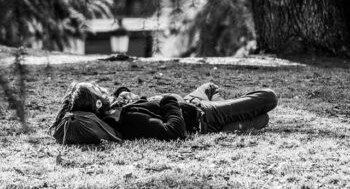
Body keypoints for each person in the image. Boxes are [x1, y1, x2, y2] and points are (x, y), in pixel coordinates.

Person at [51, 82, 278, 141]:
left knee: (209, 86)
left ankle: (236, 116)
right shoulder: (128, 120)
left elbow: (131, 101)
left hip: (190, 102)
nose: (102, 88)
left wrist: (124, 93)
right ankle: (230, 117)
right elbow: (174, 131)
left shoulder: (115, 110)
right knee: (268, 98)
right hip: (203, 116)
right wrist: (168, 100)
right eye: (97, 90)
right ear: (98, 104)